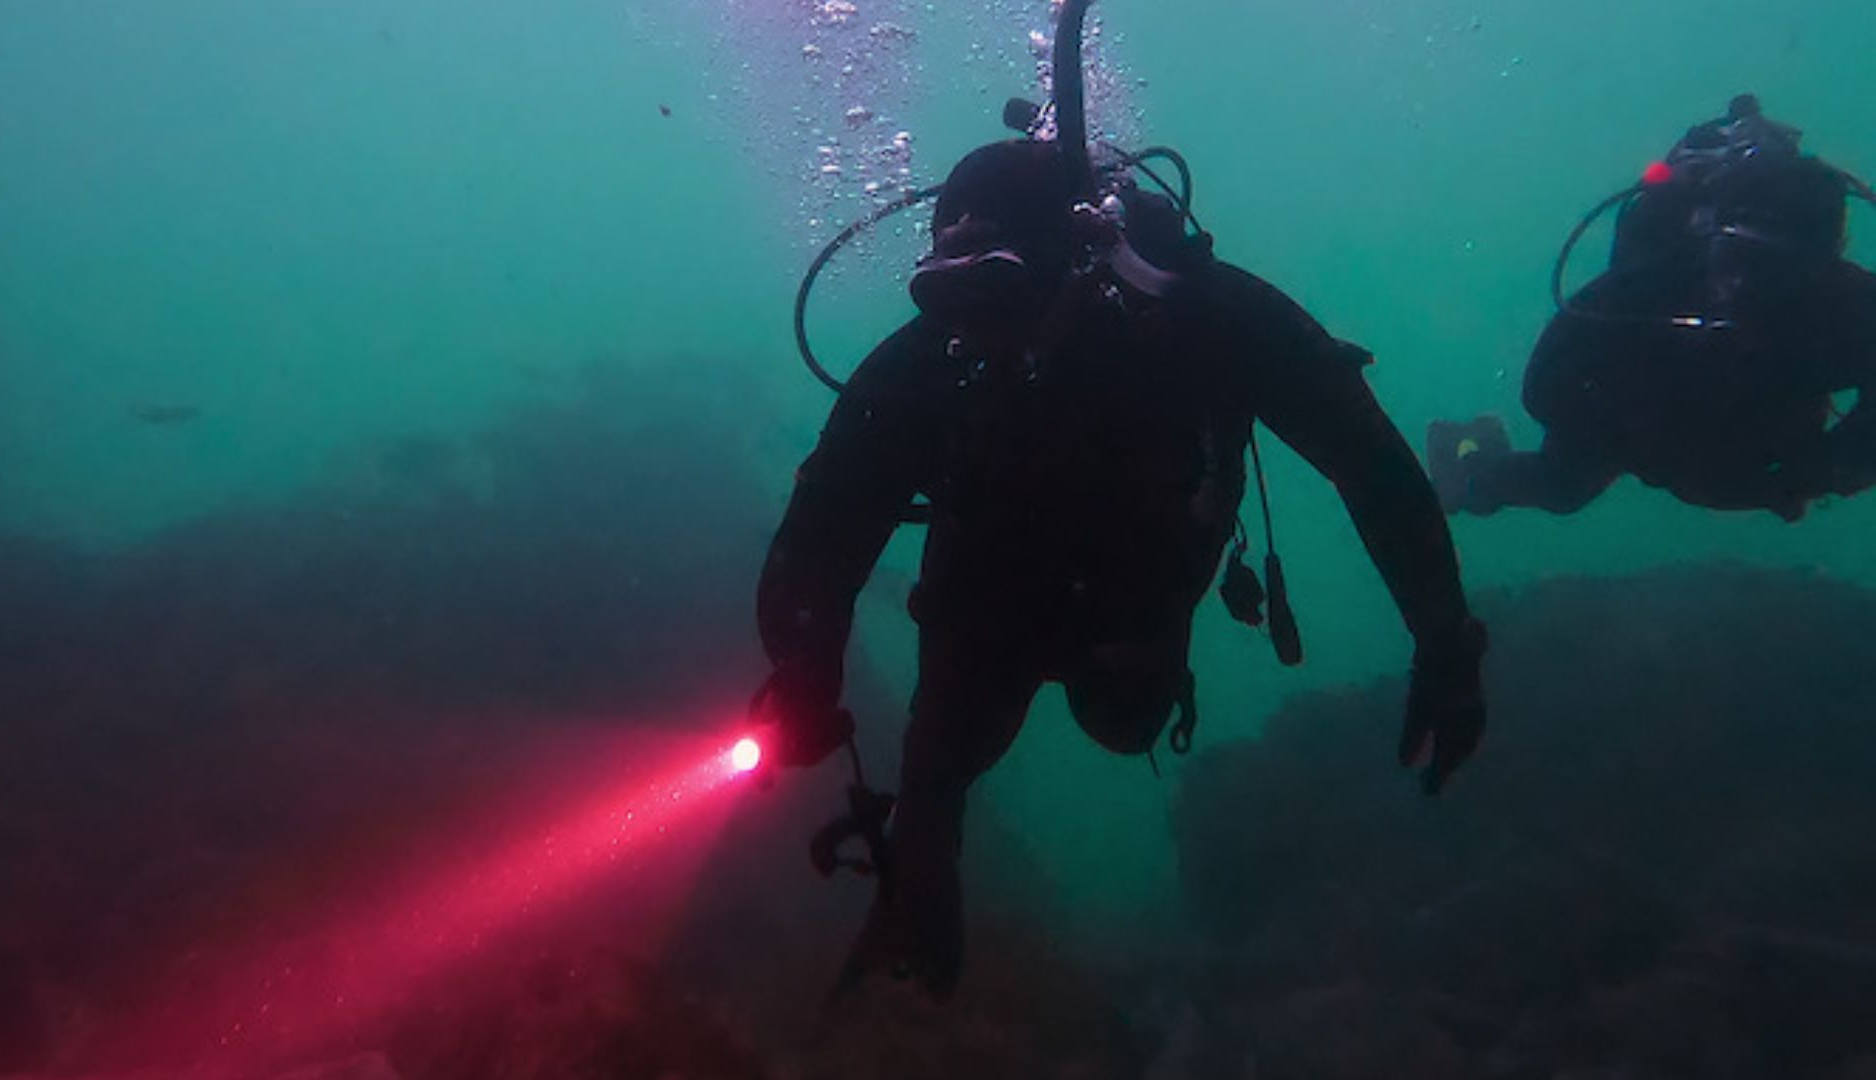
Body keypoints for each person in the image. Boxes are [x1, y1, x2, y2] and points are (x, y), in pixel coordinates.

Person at [750, 0, 1486, 1002]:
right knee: (942, 759)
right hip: (985, 599)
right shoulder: (932, 361)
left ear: (1082, 256)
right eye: (945, 292)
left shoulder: (1201, 320)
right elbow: (825, 532)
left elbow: (1371, 465)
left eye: (998, 287)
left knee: (1124, 720)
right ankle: (916, 907)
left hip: (1141, 593)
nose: (975, 328)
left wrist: (1445, 640)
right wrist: (803, 673)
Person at [1429, 94, 1876, 519]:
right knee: (1562, 486)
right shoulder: (1828, 297)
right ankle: (1470, 460)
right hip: (1687, 434)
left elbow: (1548, 376)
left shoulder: (1649, 282)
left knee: (1562, 486)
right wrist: (1826, 471)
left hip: (1693, 437)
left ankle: (1472, 465)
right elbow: (1549, 381)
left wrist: (1828, 469)